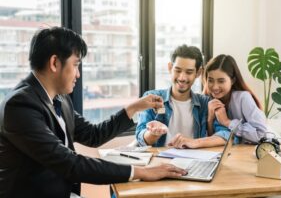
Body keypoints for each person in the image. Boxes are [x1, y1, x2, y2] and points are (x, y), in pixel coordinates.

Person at [0, 27, 187, 198]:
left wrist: (134, 108)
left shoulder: (60, 98)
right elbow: (69, 163)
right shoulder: (19, 106)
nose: (78, 74)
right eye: (75, 65)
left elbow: (93, 135)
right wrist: (141, 171)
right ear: (55, 63)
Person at [136, 44, 230, 149]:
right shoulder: (152, 98)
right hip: (160, 162)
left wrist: (194, 142)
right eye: (178, 70)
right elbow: (140, 137)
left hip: (194, 162)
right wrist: (153, 133)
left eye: (189, 72)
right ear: (170, 68)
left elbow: (226, 134)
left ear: (198, 73)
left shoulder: (205, 103)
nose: (182, 78)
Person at [203, 54, 267, 144]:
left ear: (232, 80)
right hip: (220, 154)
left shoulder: (243, 98)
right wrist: (210, 119)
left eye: (221, 81)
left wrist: (227, 122)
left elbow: (261, 135)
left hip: (246, 153)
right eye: (210, 80)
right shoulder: (207, 100)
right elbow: (210, 139)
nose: (215, 87)